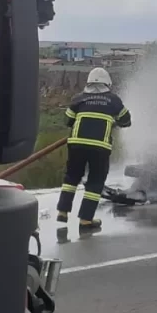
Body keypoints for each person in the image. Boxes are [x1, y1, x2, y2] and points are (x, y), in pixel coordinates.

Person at [56, 67, 130, 239]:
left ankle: (62, 211)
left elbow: (68, 121)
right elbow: (126, 120)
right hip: (99, 147)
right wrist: (115, 121)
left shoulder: (78, 99)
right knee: (95, 181)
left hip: (76, 144)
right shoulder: (113, 100)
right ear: (107, 83)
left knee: (71, 177)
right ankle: (85, 220)